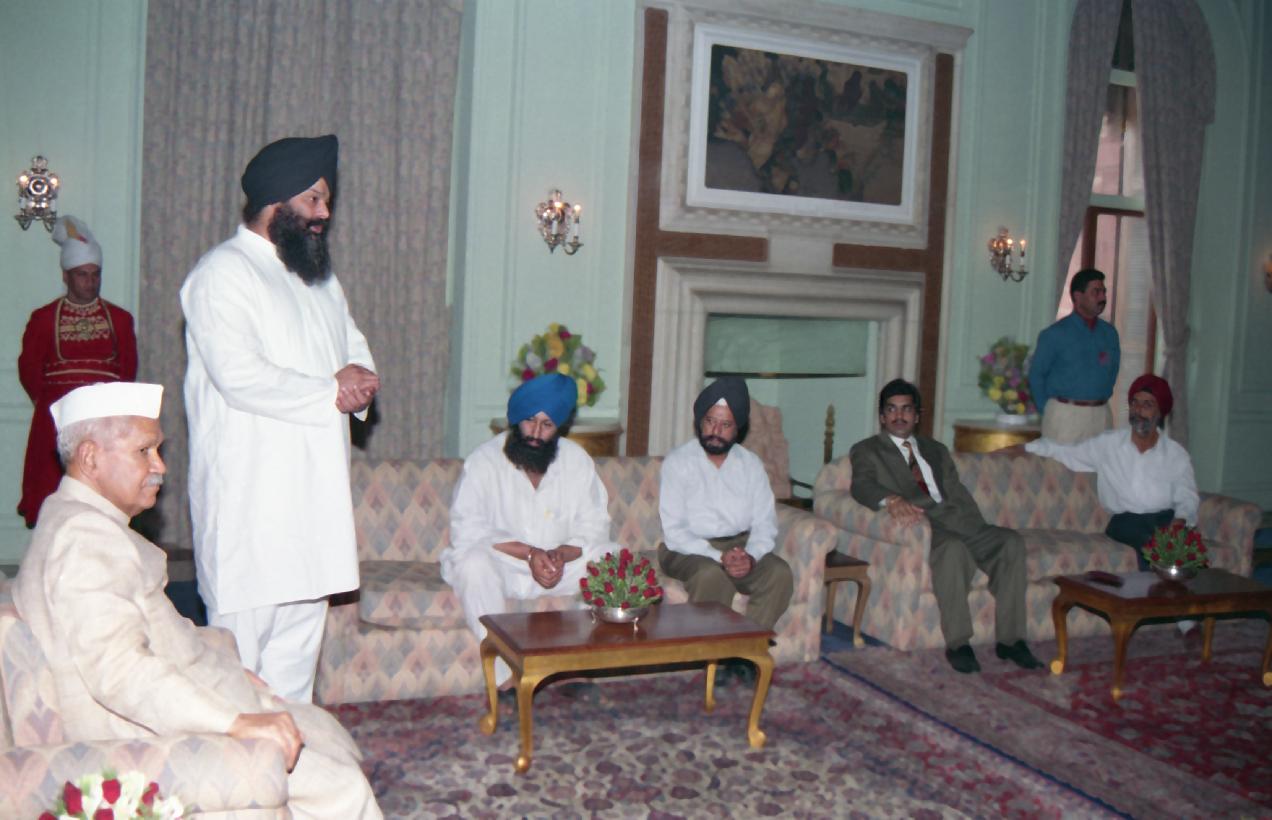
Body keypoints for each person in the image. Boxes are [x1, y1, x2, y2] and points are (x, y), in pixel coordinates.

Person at [12, 382, 380, 819]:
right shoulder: (85, 539)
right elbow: (120, 672)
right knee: (343, 790)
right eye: (144, 451)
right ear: (90, 457)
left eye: (157, 450)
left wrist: (227, 667)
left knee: (319, 728)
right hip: (142, 741)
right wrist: (235, 722)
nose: (160, 466)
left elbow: (155, 630)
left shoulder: (78, 520)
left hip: (169, 711)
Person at [181, 134, 380, 702]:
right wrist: (331, 391)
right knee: (238, 678)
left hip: (313, 512)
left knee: (295, 675)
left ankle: (295, 759)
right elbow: (239, 375)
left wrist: (361, 383)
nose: (324, 214)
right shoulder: (221, 273)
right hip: (251, 513)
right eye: (314, 200)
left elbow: (353, 349)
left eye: (326, 201)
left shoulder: (318, 279)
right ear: (276, 200)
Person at [848, 378, 1043, 674]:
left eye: (906, 409)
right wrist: (891, 499)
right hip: (926, 525)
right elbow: (861, 485)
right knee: (952, 549)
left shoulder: (935, 449)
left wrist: (977, 526)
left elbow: (955, 490)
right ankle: (959, 644)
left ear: (917, 415)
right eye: (891, 409)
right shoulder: (867, 450)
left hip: (961, 521)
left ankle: (1011, 640)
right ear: (882, 416)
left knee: (1010, 542)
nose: (899, 416)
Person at [443, 373, 618, 686]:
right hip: (505, 567)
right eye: (529, 421)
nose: (536, 433)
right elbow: (466, 531)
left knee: (613, 558)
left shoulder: (576, 460)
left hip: (560, 568)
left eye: (547, 425)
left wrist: (560, 555)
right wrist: (530, 554)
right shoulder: (484, 461)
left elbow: (595, 526)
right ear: (515, 419)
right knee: (472, 564)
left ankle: (574, 662)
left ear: (559, 427)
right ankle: (505, 677)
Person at [17, 215, 137, 528]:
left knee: (103, 495)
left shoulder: (120, 319)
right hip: (56, 423)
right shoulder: (43, 319)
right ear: (66, 276)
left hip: (104, 422)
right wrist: (52, 406)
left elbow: (128, 369)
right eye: (82, 275)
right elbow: (29, 369)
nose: (90, 282)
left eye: (95, 275)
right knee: (52, 494)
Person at [658, 378, 793, 653]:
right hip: (686, 549)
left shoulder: (751, 465)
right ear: (700, 421)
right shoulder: (678, 462)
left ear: (738, 428)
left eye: (726, 425)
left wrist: (750, 556)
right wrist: (719, 556)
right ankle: (709, 656)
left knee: (779, 573)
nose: (715, 431)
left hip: (740, 545)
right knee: (712, 575)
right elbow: (675, 530)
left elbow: (765, 523)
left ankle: (744, 653)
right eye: (710, 421)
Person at [1017, 374, 1198, 570]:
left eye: (1147, 405)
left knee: (1185, 547)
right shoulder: (1108, 444)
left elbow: (1187, 495)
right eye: (1135, 403)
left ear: (1160, 412)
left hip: (1164, 519)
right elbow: (1065, 451)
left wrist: (1179, 522)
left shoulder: (1176, 454)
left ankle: (1176, 582)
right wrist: (1024, 447)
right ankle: (1157, 581)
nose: (1138, 410)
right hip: (1126, 522)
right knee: (1153, 543)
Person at [1029, 268, 1120, 444]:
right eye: (1096, 292)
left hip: (1101, 415)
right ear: (1078, 296)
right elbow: (1036, 376)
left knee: (1101, 462)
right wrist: (1048, 410)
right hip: (1065, 416)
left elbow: (1113, 371)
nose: (1102, 297)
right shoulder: (1054, 334)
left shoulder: (1109, 334)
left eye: (1104, 291)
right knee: (1060, 462)